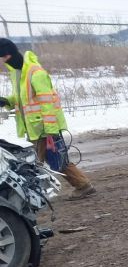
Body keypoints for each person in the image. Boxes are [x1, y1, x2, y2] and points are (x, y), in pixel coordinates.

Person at [0, 38, 95, 200]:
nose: (2, 61)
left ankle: (78, 187)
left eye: (3, 57)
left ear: (10, 54)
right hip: (34, 128)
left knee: (43, 162)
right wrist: (7, 101)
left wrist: (50, 131)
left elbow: (47, 103)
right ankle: (81, 185)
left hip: (44, 128)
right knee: (49, 161)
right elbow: (22, 99)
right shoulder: (18, 73)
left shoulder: (36, 73)